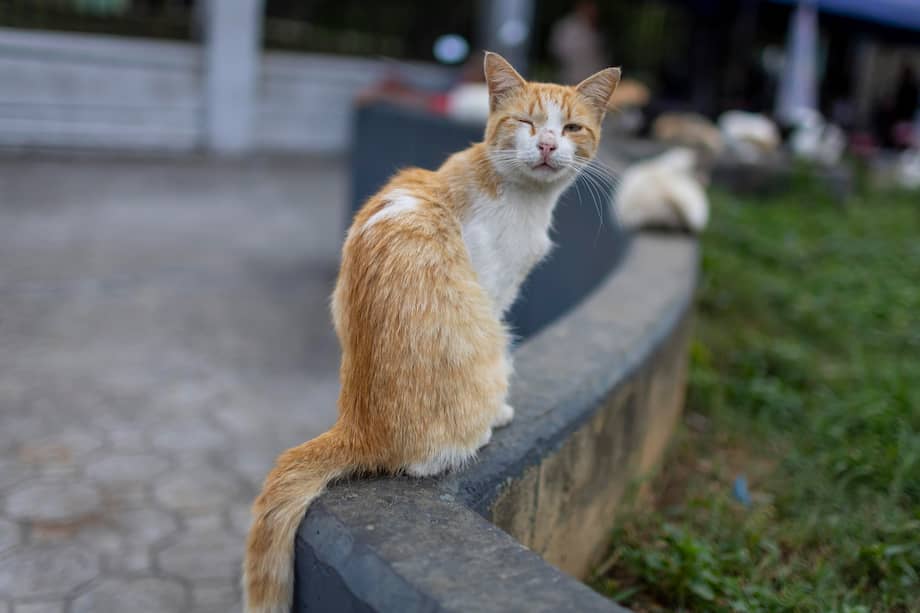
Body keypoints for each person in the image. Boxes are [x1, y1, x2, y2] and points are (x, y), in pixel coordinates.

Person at [549, 1, 606, 85]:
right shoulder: (568, 26)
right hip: (571, 79)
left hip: (591, 80)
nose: (594, 10)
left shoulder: (595, 28)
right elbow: (558, 51)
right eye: (590, 6)